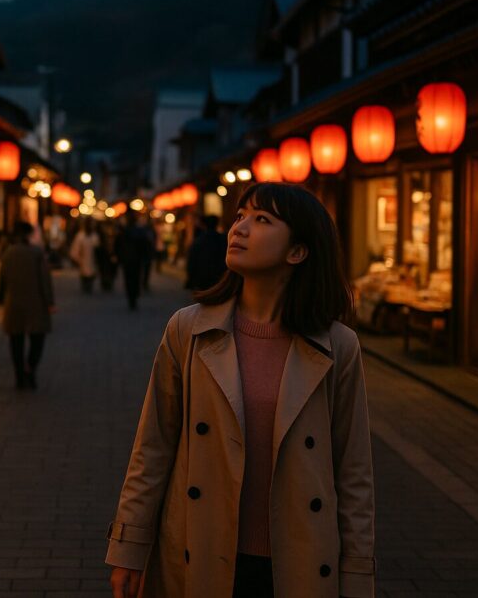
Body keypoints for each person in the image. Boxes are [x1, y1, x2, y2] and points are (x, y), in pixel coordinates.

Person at [106, 182, 375, 598]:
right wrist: (129, 545)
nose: (240, 228)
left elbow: (353, 472)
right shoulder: (189, 330)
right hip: (203, 550)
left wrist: (357, 576)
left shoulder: (337, 346)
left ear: (298, 252)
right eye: (240, 216)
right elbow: (153, 448)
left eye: (262, 219)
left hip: (300, 560)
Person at [0, 220, 55, 389]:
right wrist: (49, 302)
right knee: (37, 338)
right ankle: (30, 369)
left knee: (16, 340)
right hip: (36, 302)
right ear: (29, 235)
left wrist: (1, 298)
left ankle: (19, 375)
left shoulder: (7, 253)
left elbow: (2, 280)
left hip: (13, 302)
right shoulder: (37, 253)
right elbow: (45, 280)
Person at [115, 214, 151, 311]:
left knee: (128, 279)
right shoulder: (139, 231)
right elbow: (145, 245)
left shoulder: (123, 232)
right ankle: (134, 297)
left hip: (127, 260)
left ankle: (131, 297)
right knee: (135, 278)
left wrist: (119, 257)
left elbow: (118, 246)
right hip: (136, 260)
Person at [186, 214, 229, 292]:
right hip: (218, 277)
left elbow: (192, 261)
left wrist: (191, 278)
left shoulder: (199, 240)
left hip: (201, 277)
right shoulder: (223, 240)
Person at [69, 219, 99, 294]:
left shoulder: (94, 236)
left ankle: (89, 286)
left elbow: (98, 248)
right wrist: (78, 259)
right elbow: (75, 249)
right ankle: (86, 286)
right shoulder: (80, 236)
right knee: (85, 274)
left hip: (92, 260)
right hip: (83, 260)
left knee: (90, 274)